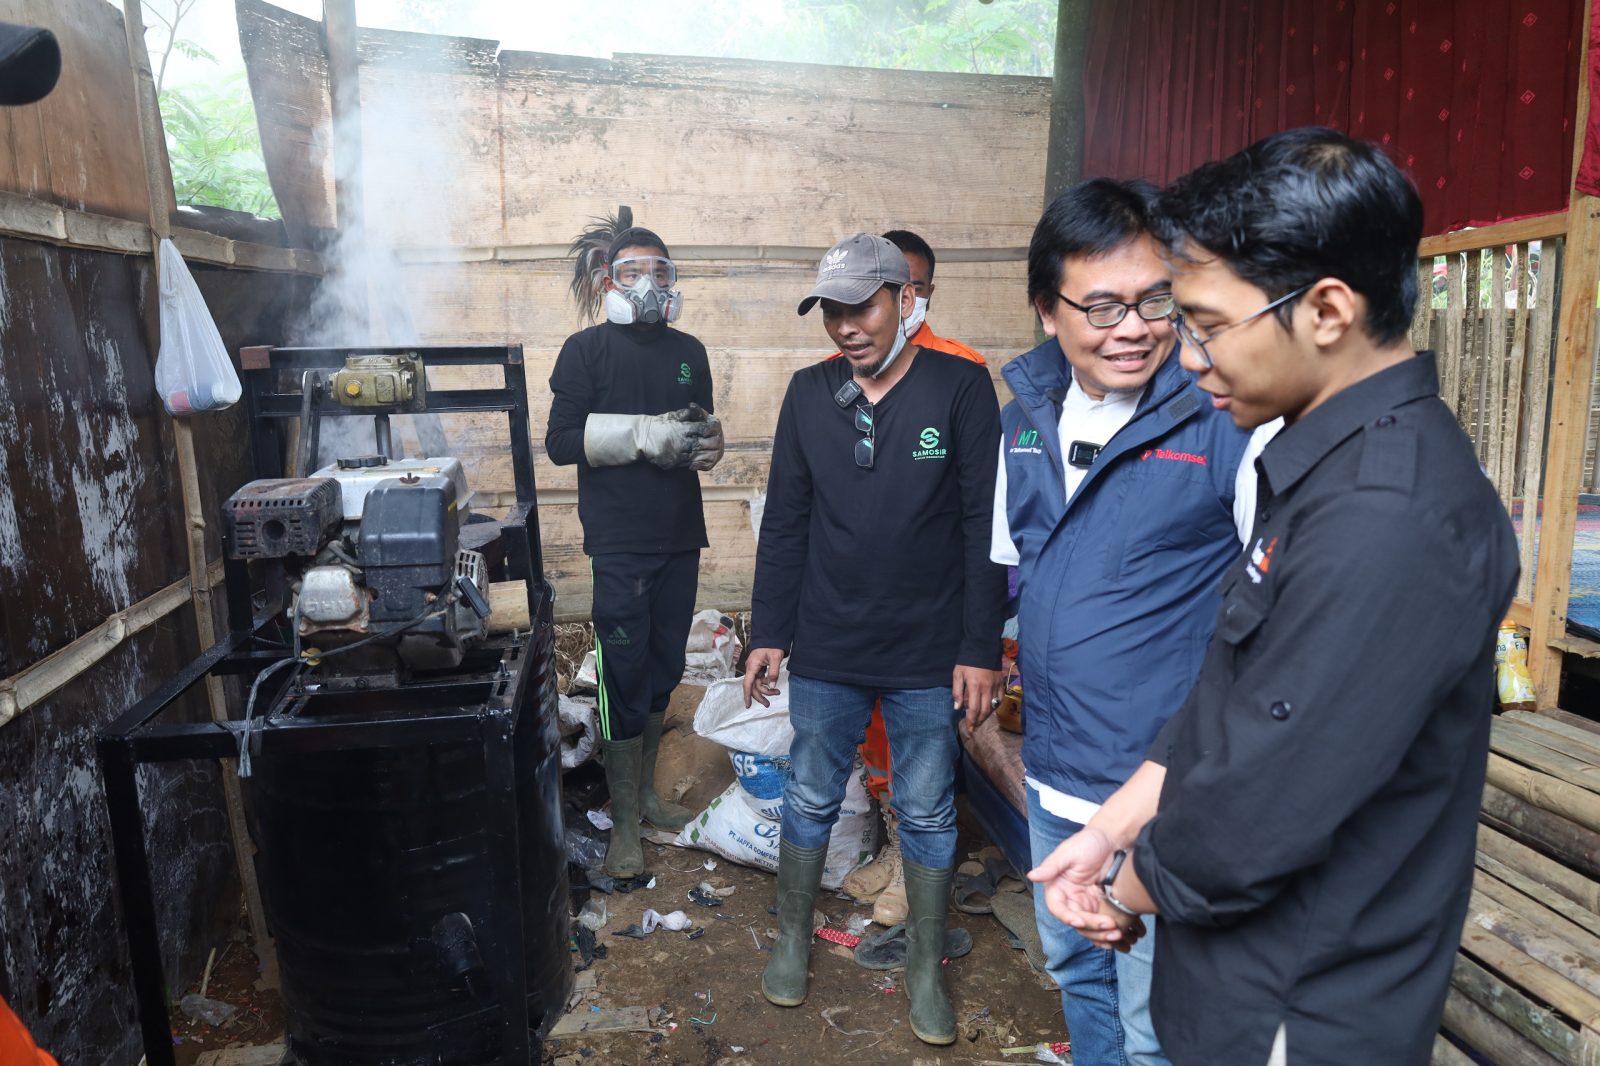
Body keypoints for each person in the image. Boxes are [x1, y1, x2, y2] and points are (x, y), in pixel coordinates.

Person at [1030, 128, 1520, 1066]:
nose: (1188, 357)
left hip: (1298, 1005)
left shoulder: (1393, 517)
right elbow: (1229, 692)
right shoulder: (1317, 460)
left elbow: (1262, 803)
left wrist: (1124, 890)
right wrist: (1109, 831)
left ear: (1327, 309)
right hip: (1238, 976)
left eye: (1208, 326)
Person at [991, 178, 1254, 1066]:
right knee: (1077, 978)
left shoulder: (1220, 418)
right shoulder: (1021, 421)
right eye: (1102, 306)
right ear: (1048, 310)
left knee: (1155, 1025)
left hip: (1160, 791)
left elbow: (1274, 608)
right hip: (1055, 778)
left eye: (1153, 301)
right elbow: (1017, 566)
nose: (1133, 328)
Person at [743, 233, 1006, 1045]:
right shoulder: (806, 393)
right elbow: (785, 521)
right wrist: (770, 631)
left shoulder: (961, 389)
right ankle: (792, 938)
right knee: (814, 791)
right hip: (829, 640)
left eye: (862, 306)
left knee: (926, 810)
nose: (847, 326)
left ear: (905, 300)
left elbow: (982, 527)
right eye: (832, 310)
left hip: (929, 648)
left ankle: (925, 965)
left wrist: (979, 646)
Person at [546, 217, 724, 878]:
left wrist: (710, 445)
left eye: (659, 272)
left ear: (672, 281)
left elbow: (695, 431)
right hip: (618, 541)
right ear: (607, 279)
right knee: (622, 675)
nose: (646, 284)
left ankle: (645, 796)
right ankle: (624, 825)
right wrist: (645, 435)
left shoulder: (690, 351)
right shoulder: (584, 352)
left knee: (662, 667)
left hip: (680, 535)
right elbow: (562, 441)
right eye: (631, 272)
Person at [842, 228, 990, 925]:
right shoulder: (840, 374)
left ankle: (917, 865)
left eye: (920, 287)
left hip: (932, 608)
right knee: (873, 735)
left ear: (919, 293)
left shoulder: (962, 371)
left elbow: (979, 511)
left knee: (924, 742)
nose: (911, 301)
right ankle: (896, 850)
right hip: (860, 609)